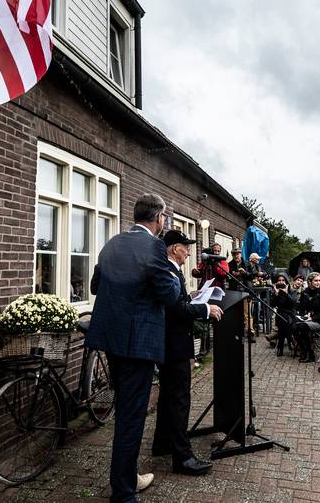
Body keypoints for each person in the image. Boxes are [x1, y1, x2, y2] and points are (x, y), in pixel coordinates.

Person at [85, 194, 183, 502]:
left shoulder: (113, 241)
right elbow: (169, 295)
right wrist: (176, 277)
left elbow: (95, 287)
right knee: (131, 416)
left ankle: (127, 476)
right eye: (165, 218)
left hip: (111, 341)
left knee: (125, 412)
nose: (164, 223)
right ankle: (124, 493)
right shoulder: (154, 245)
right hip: (137, 344)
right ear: (158, 218)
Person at [152, 230, 223, 476]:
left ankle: (161, 443)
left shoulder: (170, 270)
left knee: (167, 397)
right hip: (174, 344)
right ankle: (182, 458)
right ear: (173, 248)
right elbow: (175, 310)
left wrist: (193, 297)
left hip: (170, 343)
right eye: (186, 247)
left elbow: (178, 302)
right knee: (180, 399)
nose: (189, 252)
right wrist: (204, 308)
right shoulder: (168, 270)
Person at [292, 273, 320, 362]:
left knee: (302, 326)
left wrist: (312, 318)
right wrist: (303, 315)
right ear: (309, 282)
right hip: (306, 319)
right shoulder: (305, 292)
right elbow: (301, 307)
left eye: (319, 280)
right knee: (292, 324)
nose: (318, 282)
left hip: (319, 321)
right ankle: (303, 351)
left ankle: (310, 353)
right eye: (315, 281)